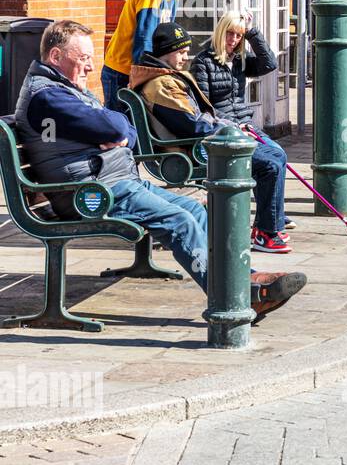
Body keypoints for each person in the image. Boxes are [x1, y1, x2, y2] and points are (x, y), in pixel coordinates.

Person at [14, 20, 306, 321]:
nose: (90, 67)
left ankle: (247, 279)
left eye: (91, 59)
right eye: (84, 59)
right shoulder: (49, 97)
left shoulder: (65, 89)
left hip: (115, 182)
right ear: (56, 57)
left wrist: (115, 134)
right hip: (90, 194)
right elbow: (113, 125)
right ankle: (236, 297)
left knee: (196, 211)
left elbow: (121, 126)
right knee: (179, 220)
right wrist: (114, 133)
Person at [130, 23, 293, 255]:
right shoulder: (162, 84)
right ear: (166, 52)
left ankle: (270, 226)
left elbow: (196, 119)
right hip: (197, 152)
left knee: (275, 154)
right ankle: (267, 233)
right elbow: (192, 125)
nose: (186, 56)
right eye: (181, 51)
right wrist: (229, 129)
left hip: (207, 141)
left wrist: (229, 127)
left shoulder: (166, 77)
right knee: (269, 164)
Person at [102, 0, 207, 113]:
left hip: (140, 70)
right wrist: (140, 76)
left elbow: (167, 40)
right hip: (123, 70)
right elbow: (145, 37)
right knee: (120, 131)